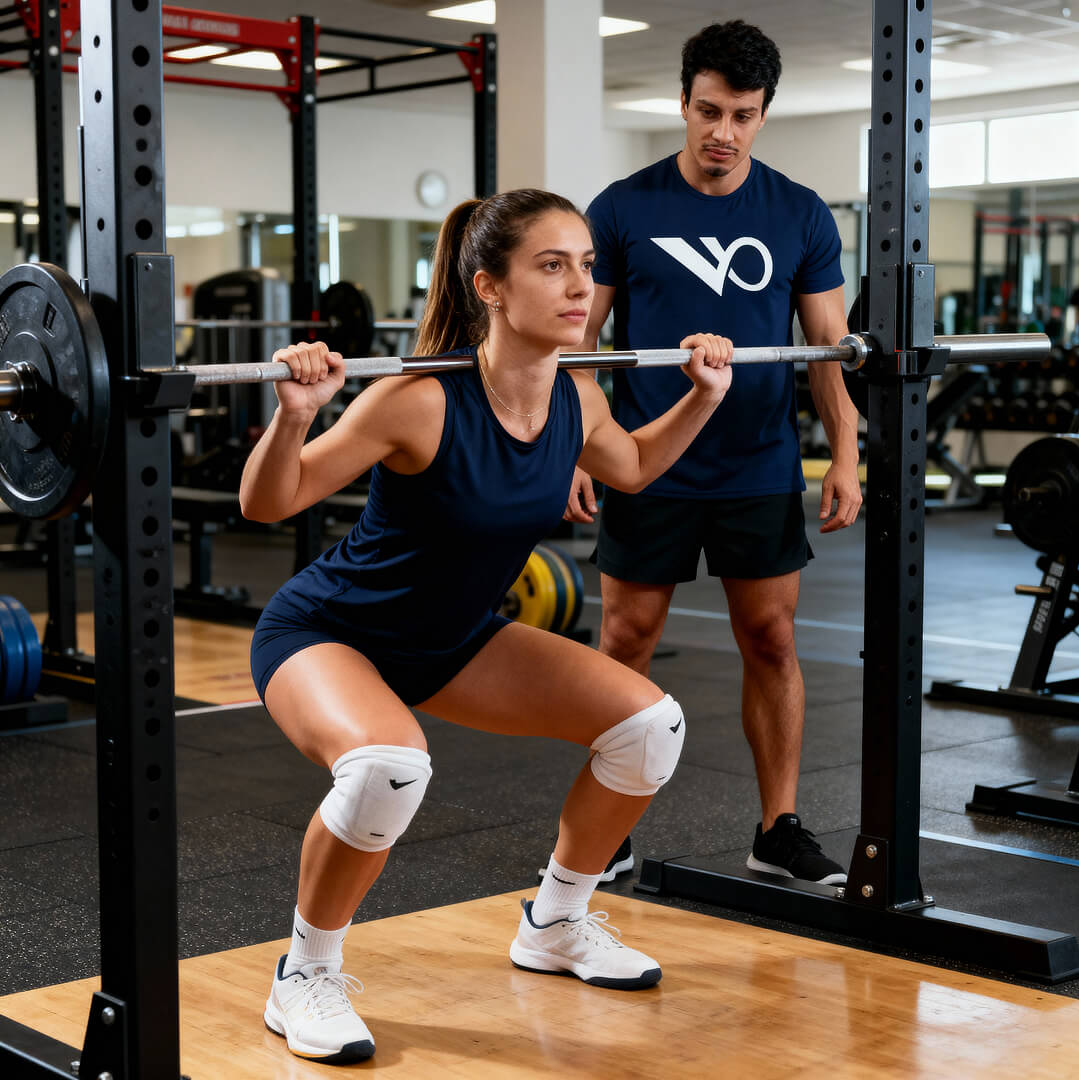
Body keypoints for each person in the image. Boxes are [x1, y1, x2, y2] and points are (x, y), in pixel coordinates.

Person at [240, 188, 733, 1064]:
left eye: (585, 264)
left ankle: (556, 922)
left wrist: (703, 396)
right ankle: (304, 973)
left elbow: (636, 469)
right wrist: (294, 417)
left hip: (455, 638)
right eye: (552, 266)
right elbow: (268, 502)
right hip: (331, 634)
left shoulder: (576, 398)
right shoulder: (417, 399)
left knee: (648, 728)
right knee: (387, 770)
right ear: (491, 288)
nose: (580, 286)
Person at [563, 20, 862, 887]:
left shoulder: (799, 212)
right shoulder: (623, 207)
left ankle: (777, 828)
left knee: (771, 637)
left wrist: (845, 454)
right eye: (708, 110)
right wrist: (587, 449)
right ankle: (605, 826)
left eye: (742, 114)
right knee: (625, 636)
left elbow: (829, 352)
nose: (722, 132)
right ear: (682, 103)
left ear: (764, 114)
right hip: (648, 458)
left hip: (758, 462)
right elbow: (579, 342)